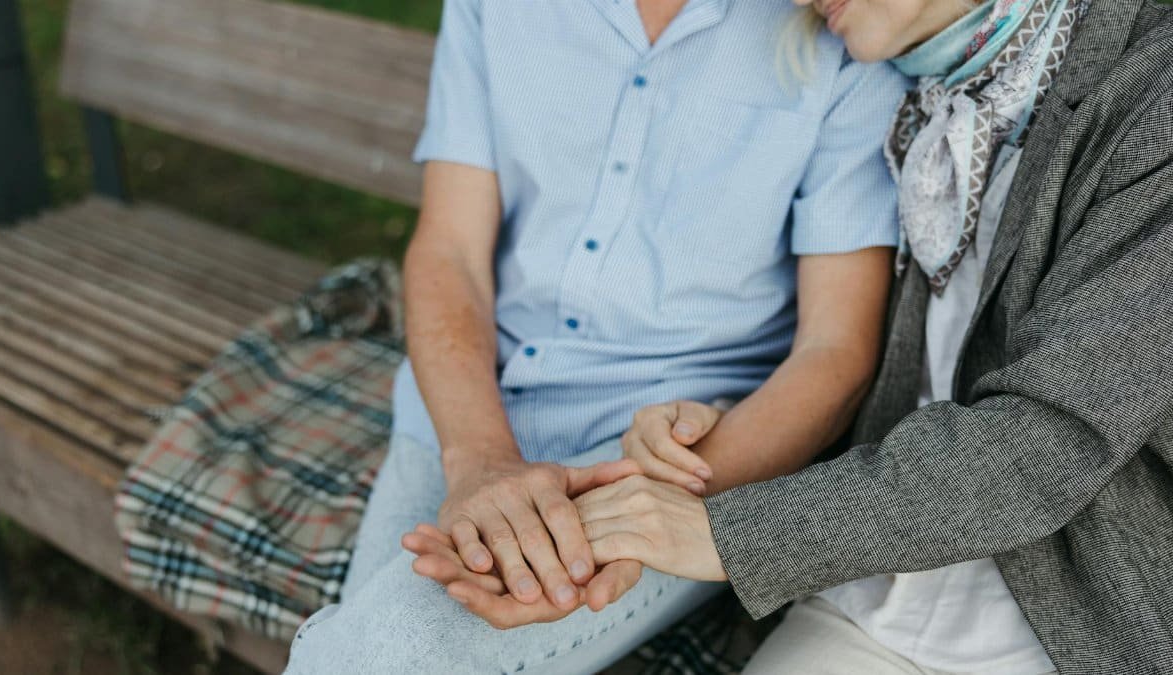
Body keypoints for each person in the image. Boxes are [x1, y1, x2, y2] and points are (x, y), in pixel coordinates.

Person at [418, 0, 1173, 673]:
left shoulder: (1149, 90)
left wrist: (720, 532)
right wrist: (700, 433)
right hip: (882, 590)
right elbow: (877, 367)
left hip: (1080, 609)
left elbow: (1047, 437)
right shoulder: (922, 86)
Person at [283, 1, 910, 673]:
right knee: (380, 644)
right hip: (467, 408)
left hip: (675, 451)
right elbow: (451, 251)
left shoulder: (843, 18)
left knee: (397, 642)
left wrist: (650, 507)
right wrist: (480, 459)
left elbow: (835, 355)